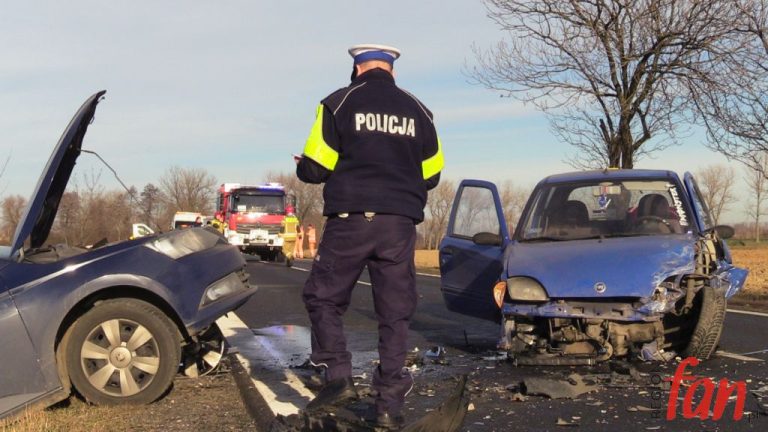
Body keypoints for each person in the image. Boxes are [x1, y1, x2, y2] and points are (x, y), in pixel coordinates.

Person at [296, 43, 443, 429]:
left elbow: (316, 167)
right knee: (395, 311)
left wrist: (304, 166)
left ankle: (338, 378)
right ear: (391, 69)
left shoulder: (337, 104)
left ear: (356, 68)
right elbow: (432, 175)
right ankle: (389, 405)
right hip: (398, 224)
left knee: (323, 297)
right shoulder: (420, 110)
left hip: (351, 218)